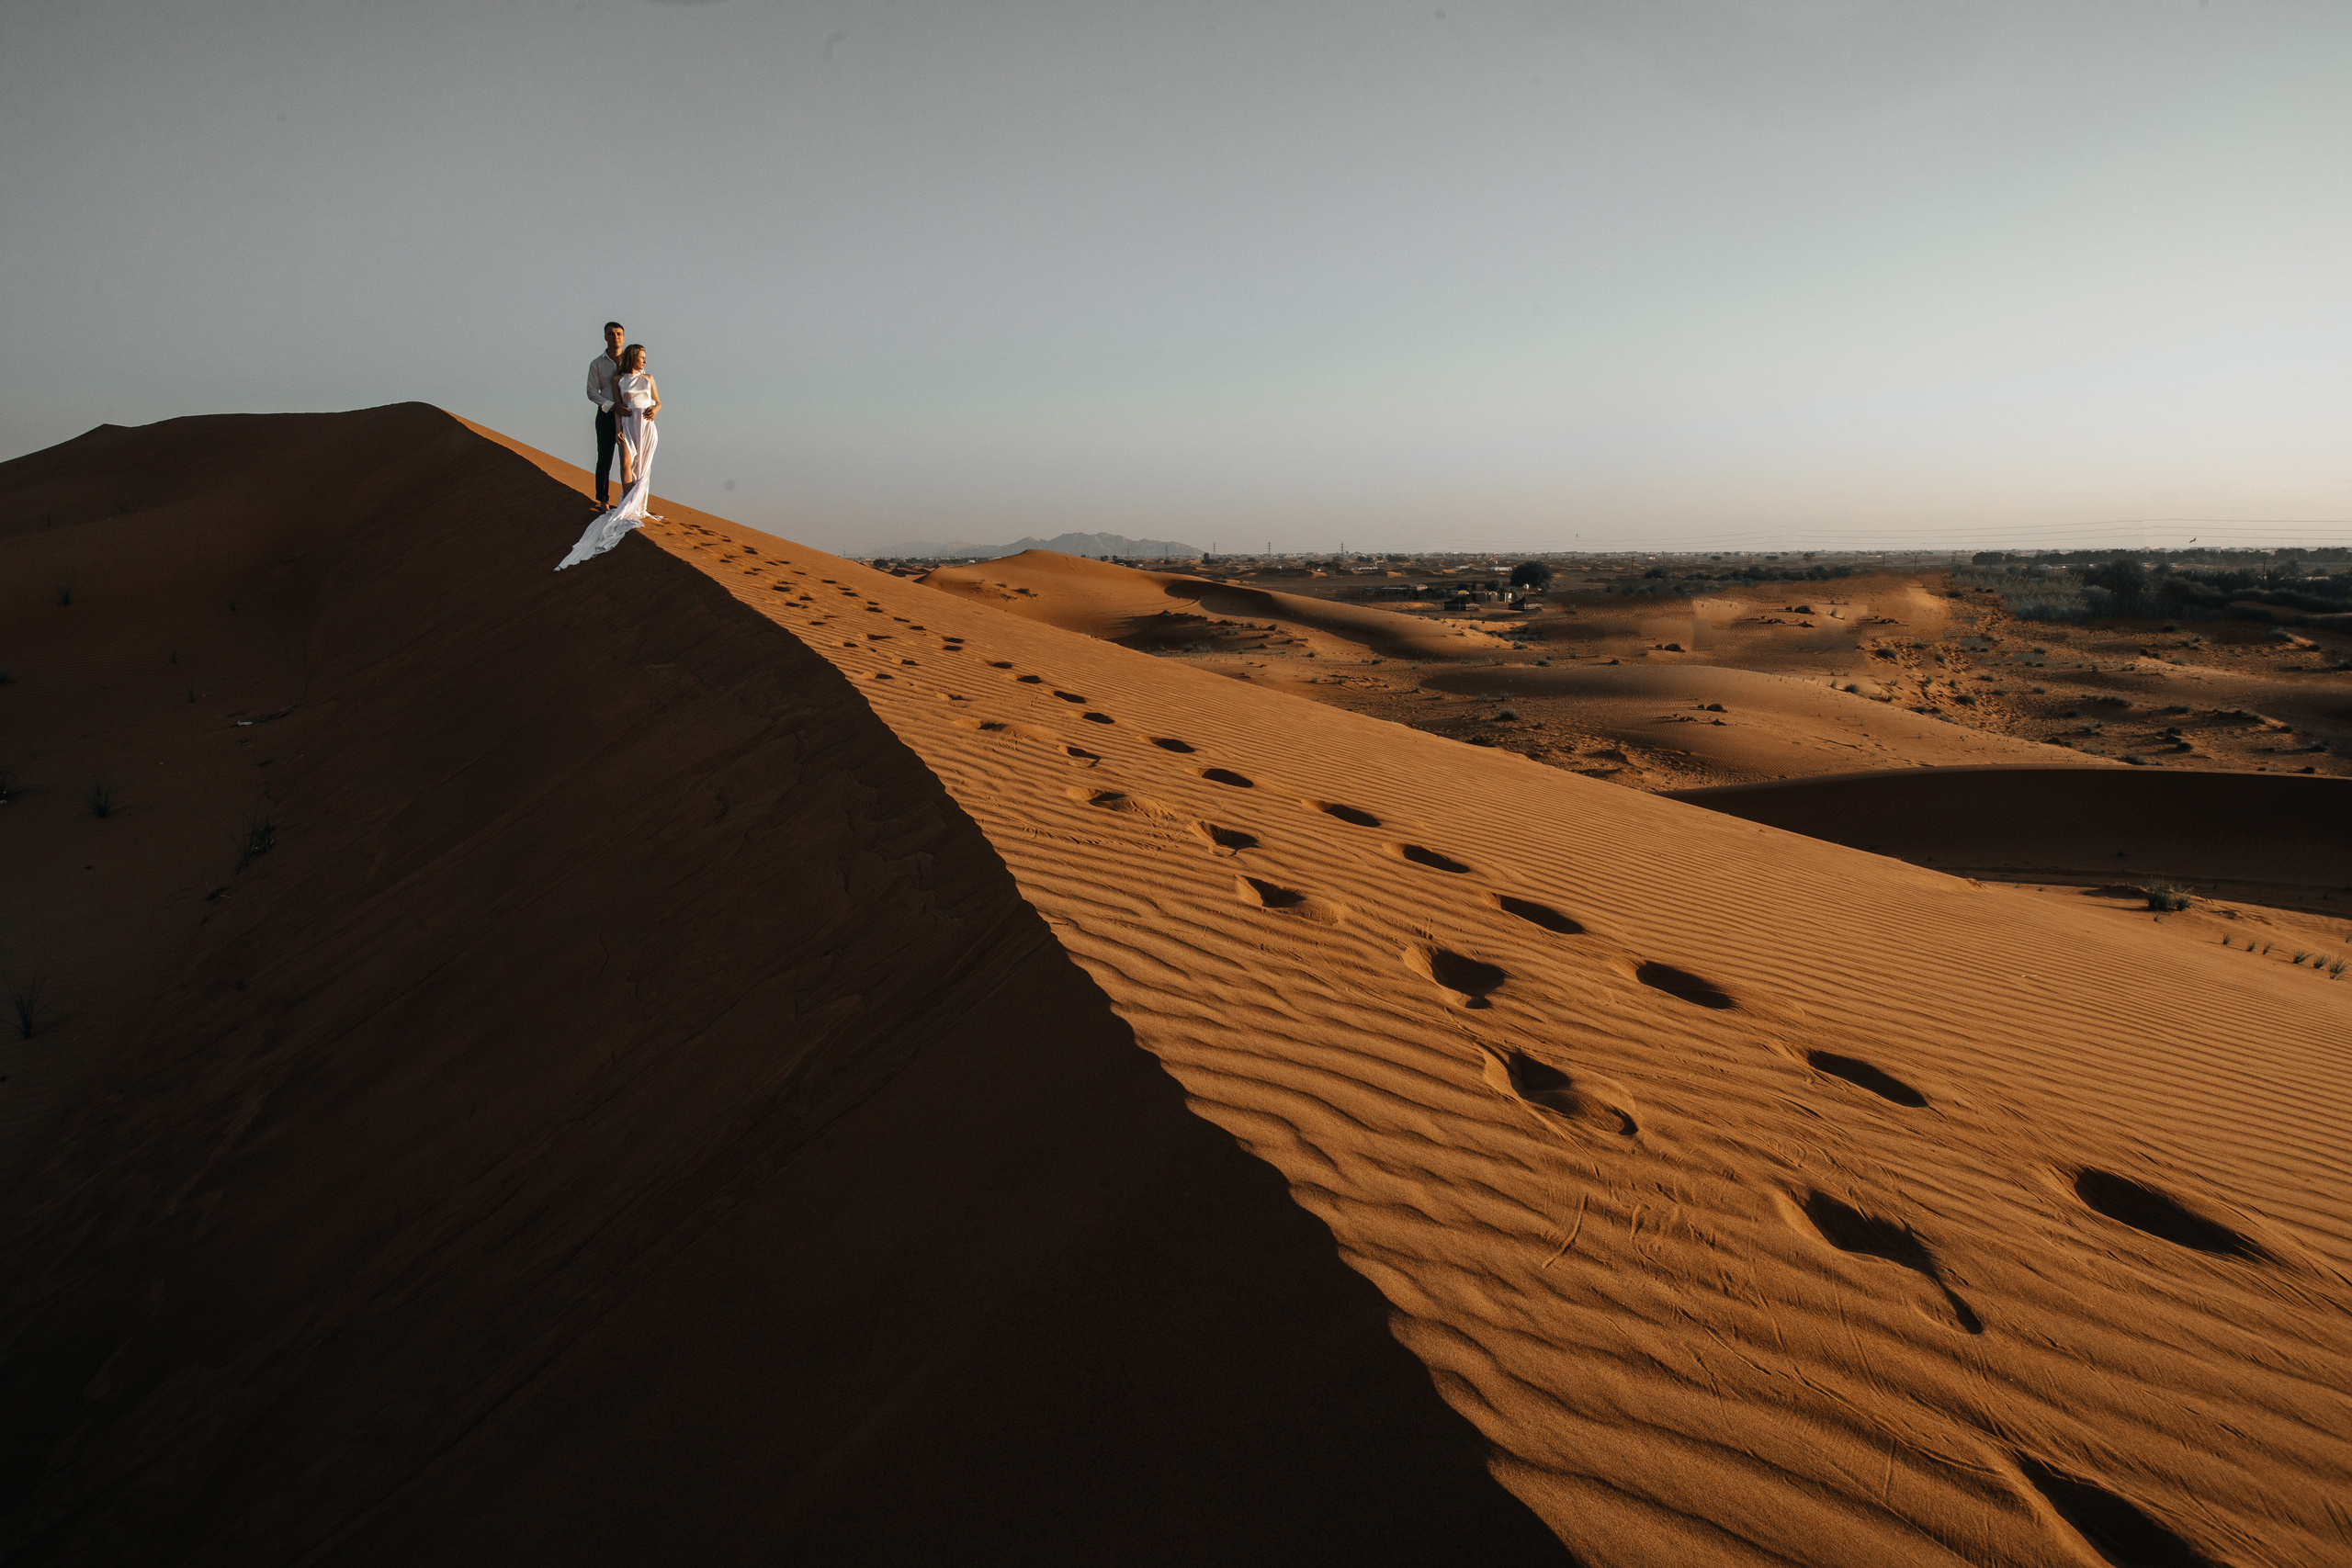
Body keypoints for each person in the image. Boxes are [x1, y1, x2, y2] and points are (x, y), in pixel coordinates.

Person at [557, 344, 662, 570]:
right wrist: (617, 430)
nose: (645, 361)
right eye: (642, 357)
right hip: (627, 424)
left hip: (646, 427)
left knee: (642, 468)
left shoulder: (650, 378)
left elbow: (658, 402)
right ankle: (627, 503)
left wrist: (656, 410)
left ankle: (636, 505)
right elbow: (617, 406)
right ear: (634, 357)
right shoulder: (618, 380)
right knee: (626, 462)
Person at [586, 321, 627, 509]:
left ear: (624, 337)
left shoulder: (631, 360)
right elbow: (592, 392)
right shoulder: (597, 364)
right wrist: (612, 406)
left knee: (632, 459)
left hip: (629, 415)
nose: (615, 337)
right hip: (606, 415)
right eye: (611, 334)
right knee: (605, 458)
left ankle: (630, 501)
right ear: (605, 337)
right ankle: (603, 501)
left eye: (618, 333)